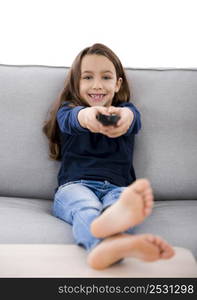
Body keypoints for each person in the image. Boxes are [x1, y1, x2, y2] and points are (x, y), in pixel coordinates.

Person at [42, 43, 175, 270]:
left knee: (123, 206)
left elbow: (130, 117)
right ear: (76, 83)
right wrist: (90, 116)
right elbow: (77, 118)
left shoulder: (127, 110)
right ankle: (107, 243)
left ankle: (108, 243)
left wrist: (121, 119)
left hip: (117, 188)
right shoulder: (68, 111)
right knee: (86, 207)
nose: (97, 85)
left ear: (117, 84)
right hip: (75, 186)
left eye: (106, 77)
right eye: (87, 77)